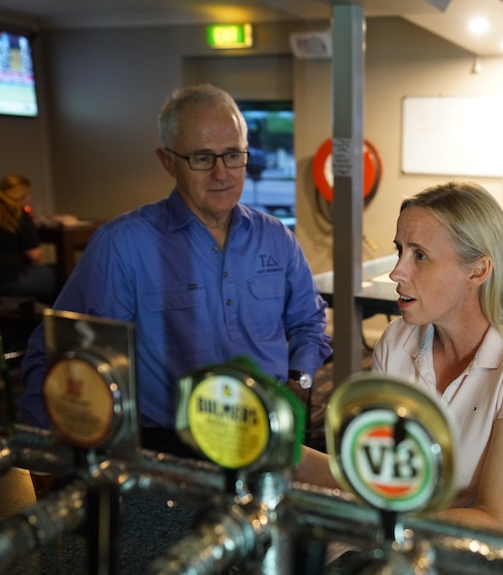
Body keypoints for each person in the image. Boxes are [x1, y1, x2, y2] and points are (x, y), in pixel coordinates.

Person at [19, 84, 333, 456]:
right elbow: (57, 356)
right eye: (202, 158)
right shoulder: (122, 245)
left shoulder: (276, 238)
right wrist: (46, 460)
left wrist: (300, 379)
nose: (222, 173)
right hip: (173, 449)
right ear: (167, 161)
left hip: (267, 434)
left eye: (233, 155)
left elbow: (308, 322)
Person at [296, 180, 503, 538]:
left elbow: (500, 521)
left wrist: (378, 521)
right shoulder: (396, 339)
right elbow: (383, 478)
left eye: (419, 255)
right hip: (405, 544)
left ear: (478, 271)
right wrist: (292, 457)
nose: (396, 272)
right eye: (399, 250)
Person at [0, 173, 57, 303]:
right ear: (23, 195)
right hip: (12, 279)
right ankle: (59, 320)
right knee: (61, 275)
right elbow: (35, 255)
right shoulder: (18, 214)